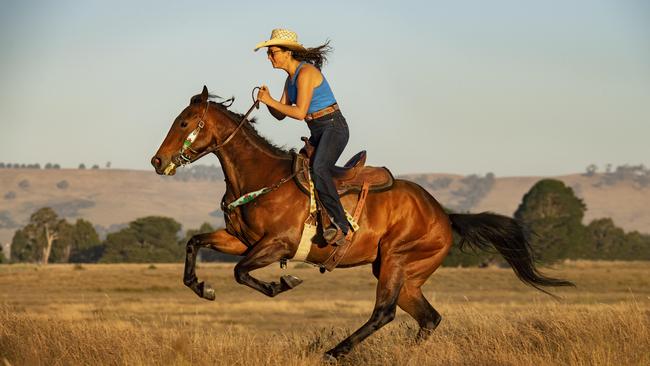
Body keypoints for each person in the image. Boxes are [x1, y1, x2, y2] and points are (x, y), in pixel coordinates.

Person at [254, 28, 350, 246]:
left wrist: (270, 101)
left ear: (288, 52)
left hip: (333, 128)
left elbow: (298, 113)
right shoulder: (290, 80)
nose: (269, 57)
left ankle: (342, 226)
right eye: (268, 54)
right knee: (298, 171)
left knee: (318, 169)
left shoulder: (305, 73)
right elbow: (280, 114)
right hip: (318, 130)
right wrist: (267, 100)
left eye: (273, 52)